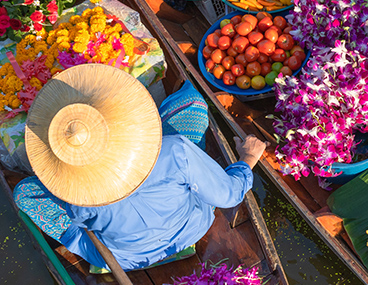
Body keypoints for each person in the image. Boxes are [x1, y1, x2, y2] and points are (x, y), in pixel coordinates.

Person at [13, 63, 266, 271]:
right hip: (193, 226)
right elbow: (229, 194)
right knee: (192, 102)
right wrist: (247, 160)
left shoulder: (68, 185)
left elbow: (79, 220)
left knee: (24, 193)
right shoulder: (174, 150)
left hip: (121, 259)